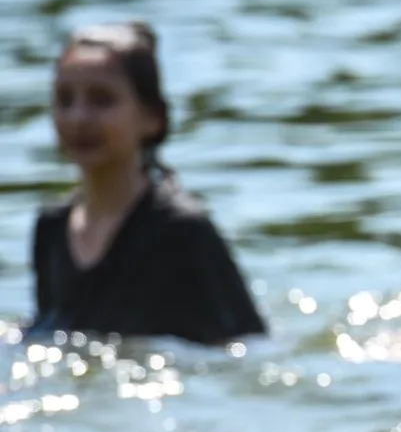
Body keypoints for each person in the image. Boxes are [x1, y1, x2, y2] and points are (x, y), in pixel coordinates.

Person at [28, 23, 265, 345]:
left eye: (102, 100)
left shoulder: (183, 231)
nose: (79, 118)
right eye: (65, 99)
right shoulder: (51, 227)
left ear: (152, 117)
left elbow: (247, 349)